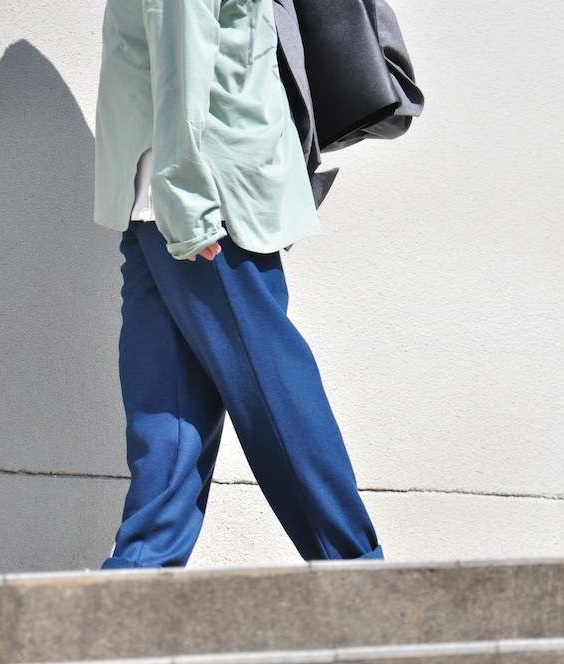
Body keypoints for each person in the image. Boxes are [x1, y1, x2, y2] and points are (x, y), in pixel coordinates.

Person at [93, 0, 382, 568]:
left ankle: (357, 573)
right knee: (166, 414)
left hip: (199, 194)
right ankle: (138, 580)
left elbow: (184, 48)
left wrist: (187, 199)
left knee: (272, 388)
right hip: (162, 195)